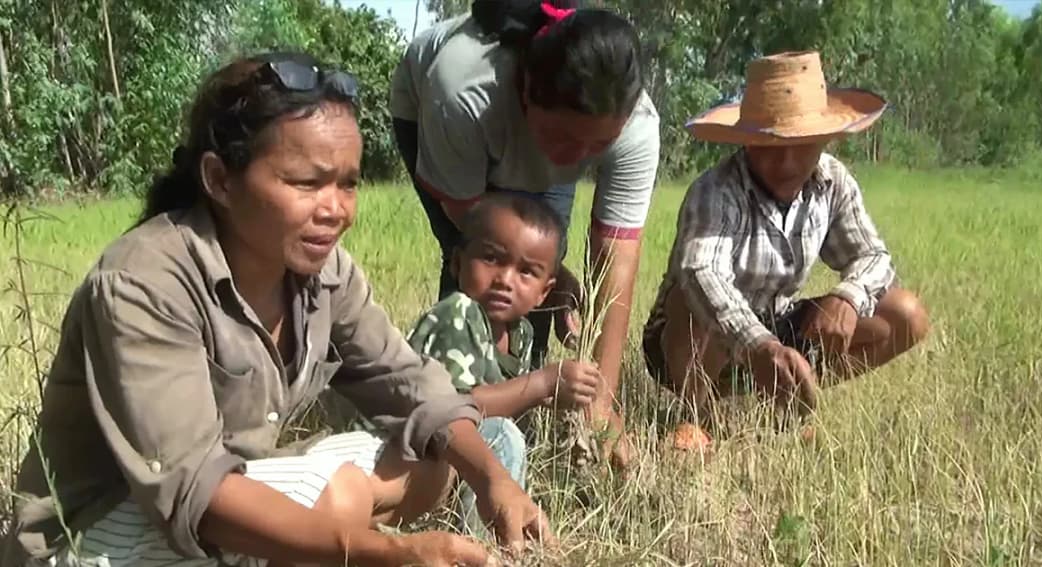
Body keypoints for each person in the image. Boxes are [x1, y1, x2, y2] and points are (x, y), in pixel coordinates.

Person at [1, 51, 550, 567]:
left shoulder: (322, 273)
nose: (336, 210)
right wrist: (384, 553)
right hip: (97, 532)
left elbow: (409, 383)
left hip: (227, 489)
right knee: (338, 499)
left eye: (349, 184)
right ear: (219, 179)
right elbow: (196, 492)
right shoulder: (143, 281)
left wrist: (493, 479)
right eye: (307, 182)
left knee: (433, 463)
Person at [390, 0, 661, 469]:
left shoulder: (635, 128)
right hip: (432, 114)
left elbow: (615, 261)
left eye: (596, 147)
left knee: (531, 286)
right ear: (529, 91)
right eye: (564, 139)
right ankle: (450, 409)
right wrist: (530, 271)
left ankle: (513, 406)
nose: (573, 159)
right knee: (481, 271)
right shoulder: (463, 90)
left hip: (522, 120)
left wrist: (603, 401)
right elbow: (476, 232)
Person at [642, 51, 931, 442]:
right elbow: (701, 275)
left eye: (804, 145)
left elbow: (873, 257)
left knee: (905, 314)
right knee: (690, 301)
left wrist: (848, 295)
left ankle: (789, 391)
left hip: (776, 325)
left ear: (825, 140)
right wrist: (758, 345)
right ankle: (700, 416)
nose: (788, 161)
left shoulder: (833, 182)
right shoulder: (716, 190)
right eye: (772, 145)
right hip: (692, 340)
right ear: (747, 140)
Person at [404, 193, 601, 535]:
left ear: (544, 292)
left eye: (526, 271)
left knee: (513, 434)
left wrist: (556, 399)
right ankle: (482, 547)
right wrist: (541, 384)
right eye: (491, 259)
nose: (506, 279)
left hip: (451, 462)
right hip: (408, 454)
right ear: (457, 264)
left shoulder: (521, 332)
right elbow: (456, 410)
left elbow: (508, 400)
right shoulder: (458, 314)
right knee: (500, 436)